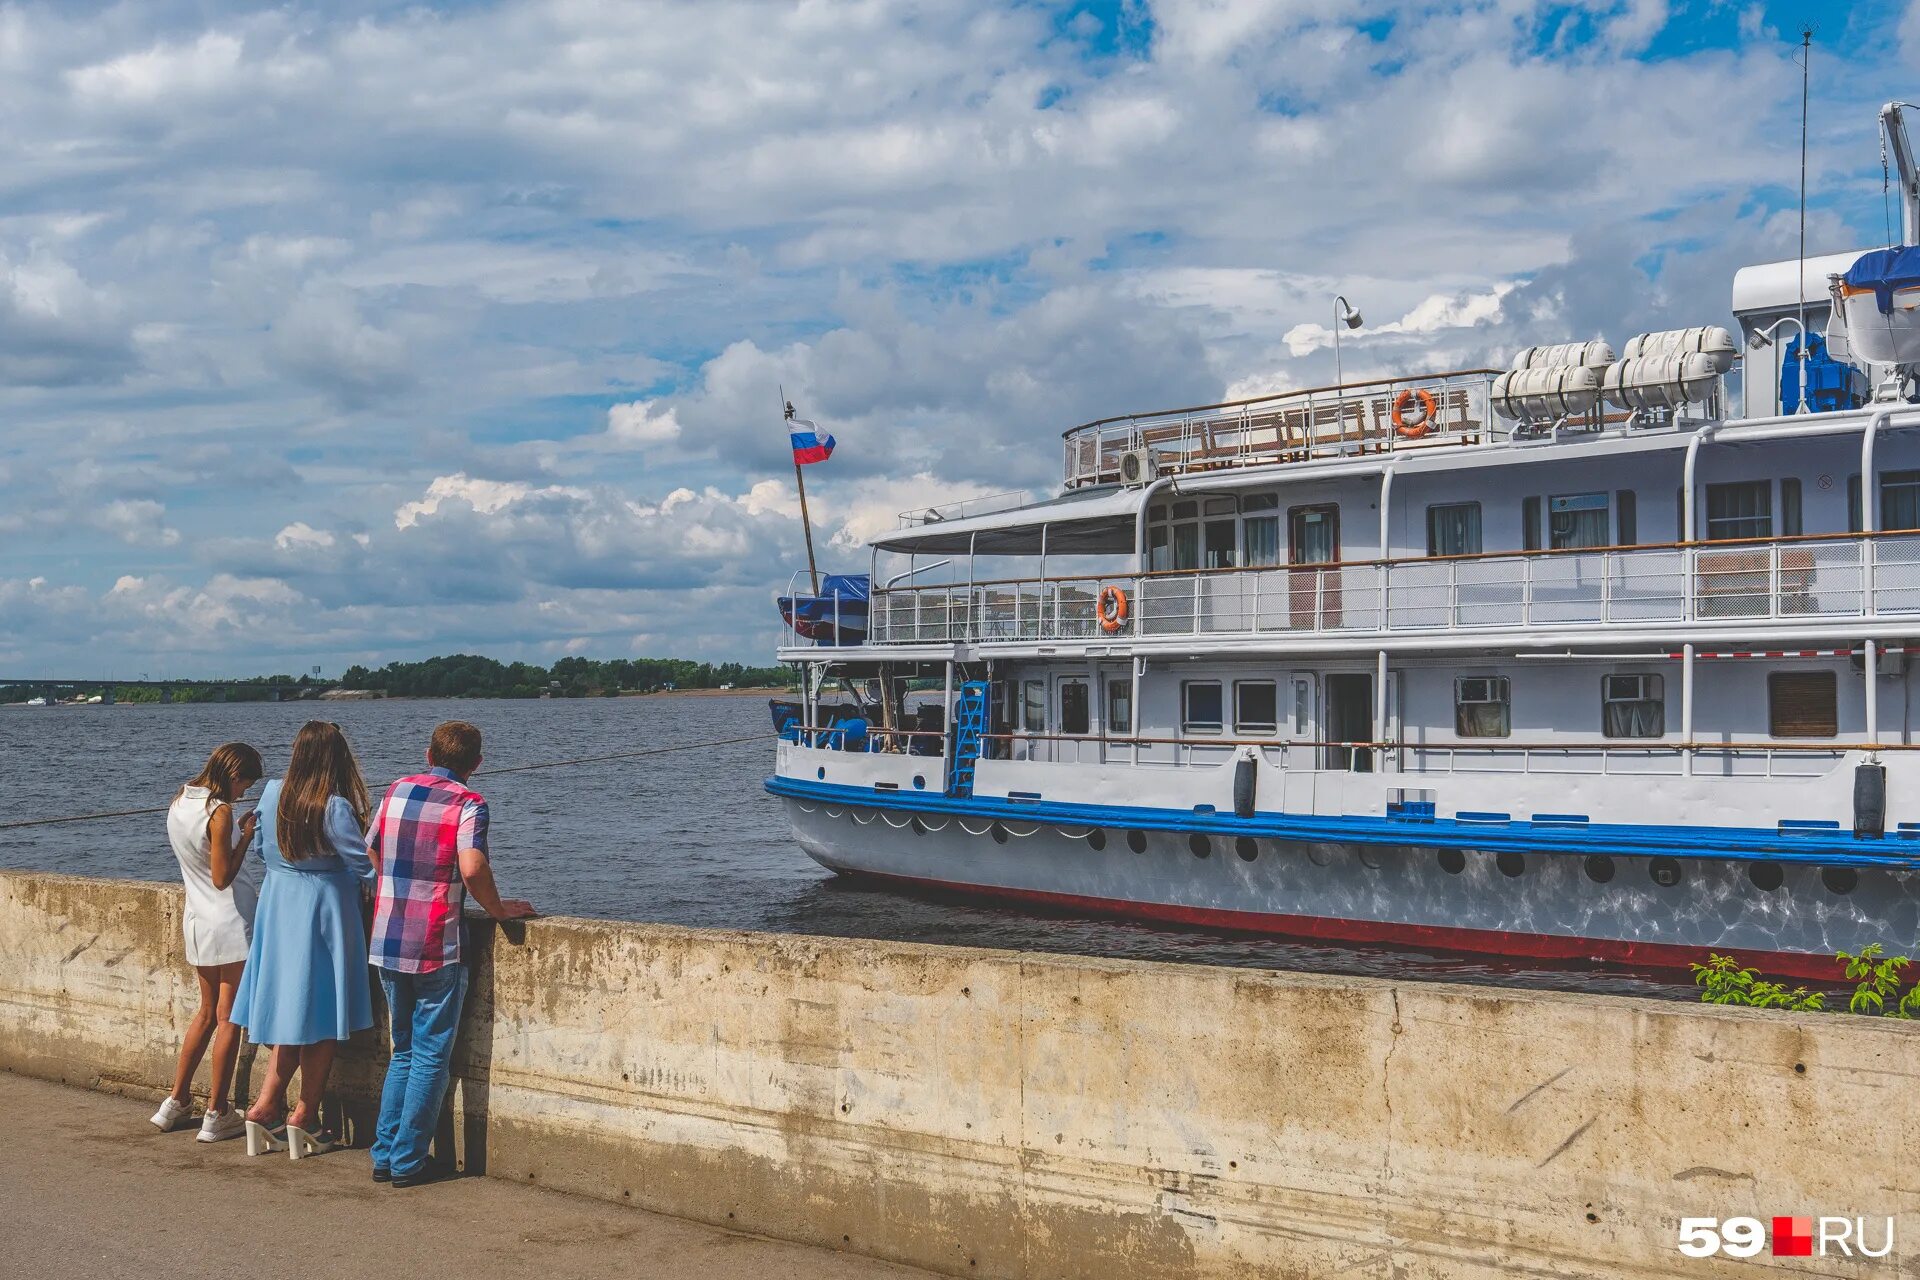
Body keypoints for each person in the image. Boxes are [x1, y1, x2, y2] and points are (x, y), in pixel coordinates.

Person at [366, 720, 533, 1187]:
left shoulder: (396, 789)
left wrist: (395, 889)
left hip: (386, 937)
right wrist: (498, 910)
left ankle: (384, 1153)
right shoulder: (469, 803)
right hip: (437, 942)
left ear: (428, 755)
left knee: (403, 1051)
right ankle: (407, 1161)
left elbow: (373, 851)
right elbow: (472, 866)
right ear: (477, 764)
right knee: (429, 1056)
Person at [232, 721, 376, 1158]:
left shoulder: (272, 791)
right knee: (323, 1018)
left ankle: (263, 1107)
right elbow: (362, 867)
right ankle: (305, 1116)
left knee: (291, 1014)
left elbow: (259, 849)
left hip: (278, 905)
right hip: (324, 909)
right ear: (336, 757)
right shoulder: (334, 807)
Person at [153, 742, 265, 1142]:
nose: (243, 793)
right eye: (245, 785)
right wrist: (246, 837)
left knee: (203, 1014)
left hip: (197, 919)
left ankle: (176, 1101)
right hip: (229, 921)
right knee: (227, 1019)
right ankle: (217, 1112)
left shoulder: (180, 800)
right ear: (234, 776)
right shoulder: (220, 812)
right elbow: (222, 876)